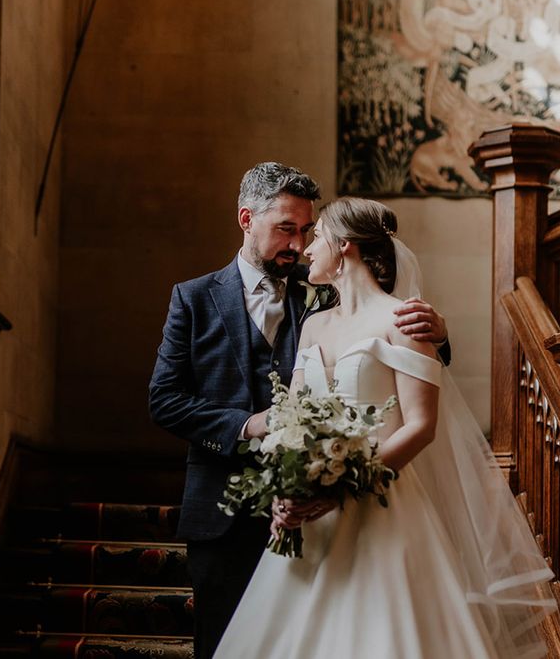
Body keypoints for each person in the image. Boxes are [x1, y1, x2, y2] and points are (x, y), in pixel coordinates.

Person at [214, 197, 556, 659]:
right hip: (309, 517)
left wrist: (342, 489)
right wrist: (285, 487)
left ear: (345, 246)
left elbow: (421, 426)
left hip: (382, 501)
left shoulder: (406, 320)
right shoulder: (312, 326)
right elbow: (290, 417)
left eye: (317, 237)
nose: (308, 248)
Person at [148, 163, 451, 659]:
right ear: (247, 219)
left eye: (308, 230)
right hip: (223, 511)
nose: (298, 244)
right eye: (285, 229)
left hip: (329, 512)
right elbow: (165, 399)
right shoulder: (194, 299)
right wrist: (249, 425)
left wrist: (438, 333)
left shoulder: (323, 294)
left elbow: (394, 352)